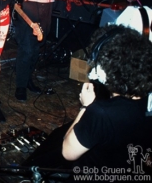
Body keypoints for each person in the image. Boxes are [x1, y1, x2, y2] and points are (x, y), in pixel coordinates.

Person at [23, 25, 152, 174]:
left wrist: (86, 107)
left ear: (104, 72)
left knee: (57, 145)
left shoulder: (100, 113)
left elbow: (67, 152)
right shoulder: (147, 102)